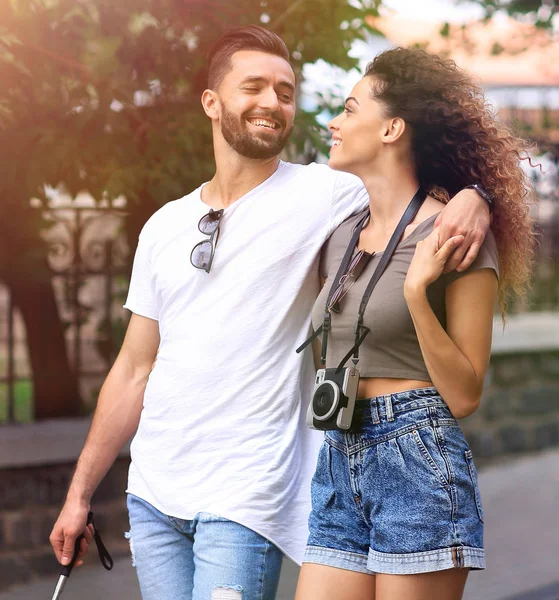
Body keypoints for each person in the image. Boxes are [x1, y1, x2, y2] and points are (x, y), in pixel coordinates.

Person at [49, 28, 492, 600]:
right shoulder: (163, 226)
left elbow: (408, 180)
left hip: (249, 492)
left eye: (285, 91)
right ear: (212, 102)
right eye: (253, 86)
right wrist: (79, 494)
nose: (273, 102)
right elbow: (134, 368)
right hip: (155, 489)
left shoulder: (326, 194)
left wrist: (475, 193)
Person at [294, 47, 534, 600]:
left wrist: (415, 294)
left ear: (392, 128)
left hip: (417, 458)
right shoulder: (341, 234)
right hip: (338, 457)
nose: (334, 121)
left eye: (351, 109)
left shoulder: (456, 237)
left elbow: (466, 393)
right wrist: (481, 191)